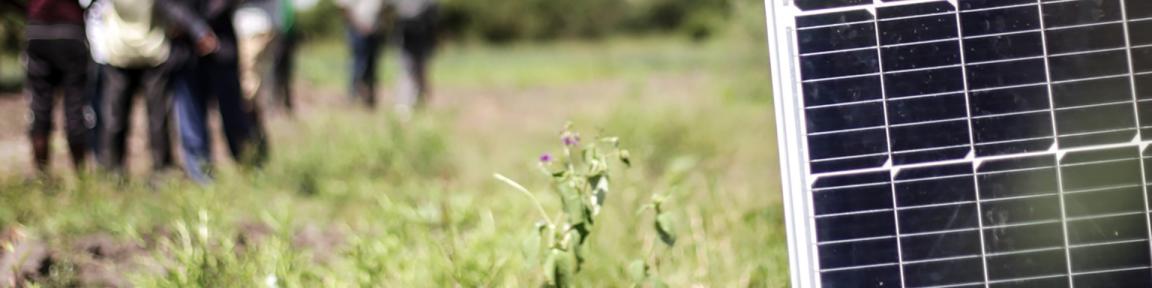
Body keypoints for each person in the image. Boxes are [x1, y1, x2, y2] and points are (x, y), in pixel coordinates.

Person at [97, 0, 205, 177]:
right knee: (155, 118)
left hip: (129, 53)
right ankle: (161, 172)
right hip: (144, 52)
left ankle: (113, 173)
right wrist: (197, 30)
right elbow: (170, 7)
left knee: (118, 118)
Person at [168, 0, 266, 184]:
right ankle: (201, 177)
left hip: (220, 43)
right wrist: (196, 30)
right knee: (191, 119)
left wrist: (203, 30)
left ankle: (250, 169)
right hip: (184, 49)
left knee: (234, 116)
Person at [21, 0, 91, 176]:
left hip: (39, 31)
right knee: (75, 108)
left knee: (39, 108)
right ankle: (80, 175)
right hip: (70, 31)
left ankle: (42, 175)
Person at [337, 0, 388, 108]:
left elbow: (384, 8)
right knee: (359, 65)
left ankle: (370, 98)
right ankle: (353, 97)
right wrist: (360, 26)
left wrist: (381, 25)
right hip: (357, 31)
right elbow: (345, 9)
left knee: (372, 66)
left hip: (375, 30)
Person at [393, 0, 438, 117]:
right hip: (407, 39)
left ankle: (418, 101)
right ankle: (405, 104)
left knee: (419, 71)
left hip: (422, 36)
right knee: (408, 72)